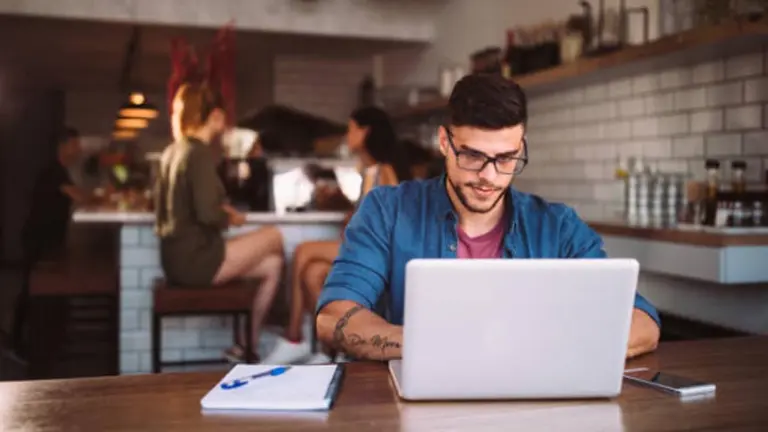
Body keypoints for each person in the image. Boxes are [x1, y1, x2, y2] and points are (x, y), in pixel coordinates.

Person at [315, 73, 661, 361]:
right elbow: (334, 317)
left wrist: (536, 348)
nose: (489, 176)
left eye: (506, 158)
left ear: (521, 146)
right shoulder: (387, 210)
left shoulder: (558, 227)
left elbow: (643, 322)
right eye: (472, 156)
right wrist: (438, 347)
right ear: (445, 143)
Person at [262, 106, 411, 364]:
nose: (347, 134)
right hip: (361, 247)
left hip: (377, 253)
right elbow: (363, 211)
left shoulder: (384, 170)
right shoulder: (368, 171)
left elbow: (391, 220)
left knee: (302, 252)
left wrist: (355, 220)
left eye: (351, 128)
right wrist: (340, 204)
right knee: (312, 274)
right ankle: (329, 351)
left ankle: (294, 336)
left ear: (366, 132)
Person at [155, 82, 286, 363]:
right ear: (214, 115)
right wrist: (232, 217)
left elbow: (186, 205)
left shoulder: (173, 151)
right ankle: (287, 327)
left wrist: (219, 208)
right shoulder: (199, 152)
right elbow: (207, 214)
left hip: (175, 260)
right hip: (196, 261)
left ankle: (245, 345)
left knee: (272, 265)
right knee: (274, 236)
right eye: (223, 115)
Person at [27, 127, 100, 259]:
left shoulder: (60, 170)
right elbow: (78, 196)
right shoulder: (54, 170)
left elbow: (76, 192)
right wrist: (100, 196)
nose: (79, 150)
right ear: (62, 147)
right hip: (43, 239)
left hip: (49, 238)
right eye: (75, 145)